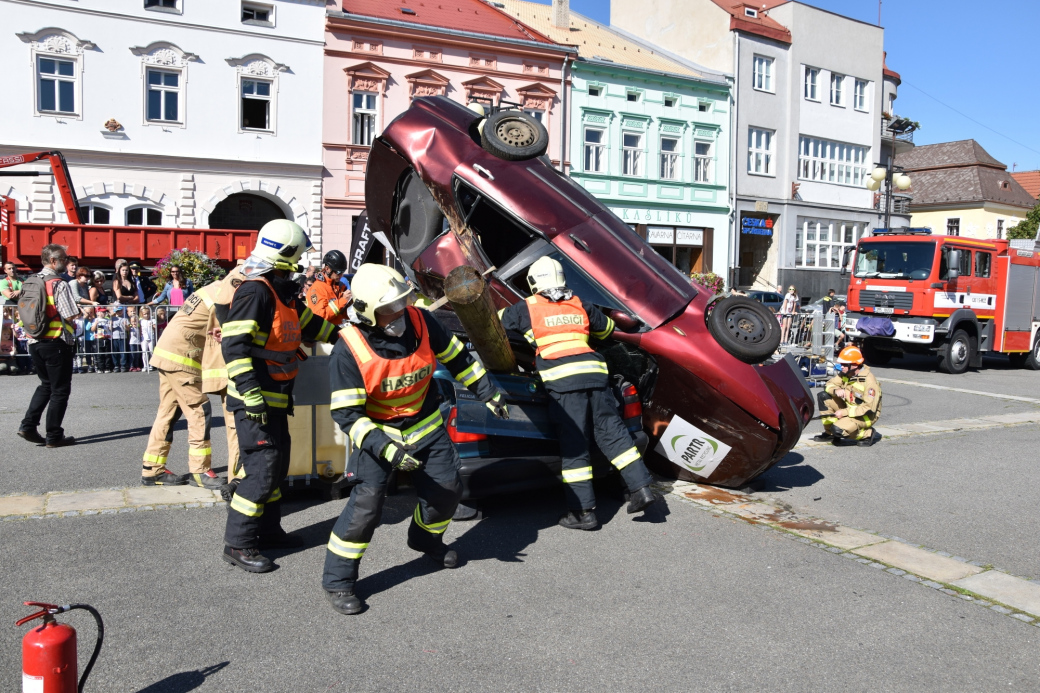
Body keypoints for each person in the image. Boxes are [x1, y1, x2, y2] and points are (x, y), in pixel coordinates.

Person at [321, 264, 509, 615]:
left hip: (425, 427)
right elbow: (347, 415)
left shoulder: (422, 321)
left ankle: (424, 540)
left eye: (401, 304)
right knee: (366, 506)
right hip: (379, 438)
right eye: (389, 309)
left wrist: (488, 392)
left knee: (448, 489)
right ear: (366, 311)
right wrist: (386, 450)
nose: (399, 314)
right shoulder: (348, 349)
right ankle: (338, 580)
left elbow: (459, 358)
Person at [498, 257, 658, 531]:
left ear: (533, 283)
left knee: (575, 445)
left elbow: (496, 323)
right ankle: (641, 489)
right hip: (595, 377)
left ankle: (582, 513)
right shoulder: (579, 303)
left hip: (562, 383)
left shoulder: (527, 307)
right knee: (614, 434)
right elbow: (607, 329)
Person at [220, 220, 340, 573]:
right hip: (254, 402)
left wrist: (353, 334)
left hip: (275, 401)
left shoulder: (279, 292)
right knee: (262, 471)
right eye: (300, 257)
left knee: (276, 470)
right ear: (285, 255)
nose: (304, 265)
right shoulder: (254, 292)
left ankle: (269, 531)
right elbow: (234, 346)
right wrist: (250, 393)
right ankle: (238, 543)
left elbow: (314, 326)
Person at [140, 269, 248, 489]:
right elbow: (219, 343)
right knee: (199, 410)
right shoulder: (224, 298)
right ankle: (199, 471)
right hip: (182, 358)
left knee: (167, 413)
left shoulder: (214, 288)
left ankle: (152, 469)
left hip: (166, 354)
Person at [17, 244, 78, 447]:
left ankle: (28, 425)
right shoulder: (58, 283)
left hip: (34, 341)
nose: (67, 261)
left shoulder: (31, 281)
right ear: (53, 261)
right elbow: (69, 314)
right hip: (56, 342)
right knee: (60, 390)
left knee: (46, 385)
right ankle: (54, 436)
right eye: (64, 258)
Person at [813, 345, 882, 447]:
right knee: (824, 396)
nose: (842, 367)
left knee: (838, 430)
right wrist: (836, 390)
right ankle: (830, 433)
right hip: (850, 408)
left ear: (854, 365)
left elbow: (868, 408)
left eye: (845, 364)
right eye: (841, 364)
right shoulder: (846, 373)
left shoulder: (869, 382)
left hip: (865, 415)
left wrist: (844, 412)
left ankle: (867, 434)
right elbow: (829, 384)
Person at [305, 250, 354, 326]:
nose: (341, 275)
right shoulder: (317, 288)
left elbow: (341, 313)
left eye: (342, 272)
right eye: (338, 272)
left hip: (338, 330)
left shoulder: (339, 286)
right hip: (324, 336)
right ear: (327, 269)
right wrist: (343, 300)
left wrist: (351, 303)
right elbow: (319, 316)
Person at [92, 307, 113, 373]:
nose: (103, 313)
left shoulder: (108, 320)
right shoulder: (95, 320)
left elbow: (110, 329)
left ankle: (107, 367)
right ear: (97, 313)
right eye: (101, 312)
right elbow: (92, 329)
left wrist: (111, 324)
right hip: (99, 338)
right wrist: (95, 323)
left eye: (104, 312)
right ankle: (100, 368)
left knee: (107, 354)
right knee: (99, 354)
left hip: (107, 338)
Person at [110, 307, 129, 373]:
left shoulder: (125, 319)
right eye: (117, 311)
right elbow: (110, 329)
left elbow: (128, 329)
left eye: (120, 310)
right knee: (115, 352)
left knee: (123, 352)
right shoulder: (112, 319)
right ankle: (116, 365)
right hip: (114, 337)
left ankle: (123, 365)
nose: (119, 312)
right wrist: (111, 325)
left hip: (123, 337)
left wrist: (126, 325)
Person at [139, 306, 155, 371]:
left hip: (151, 337)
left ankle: (151, 365)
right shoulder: (141, 321)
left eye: (148, 314)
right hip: (144, 338)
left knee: (151, 351)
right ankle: (145, 365)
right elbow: (140, 329)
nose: (146, 315)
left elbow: (155, 327)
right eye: (145, 314)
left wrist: (153, 326)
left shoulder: (152, 320)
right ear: (142, 314)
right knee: (144, 351)